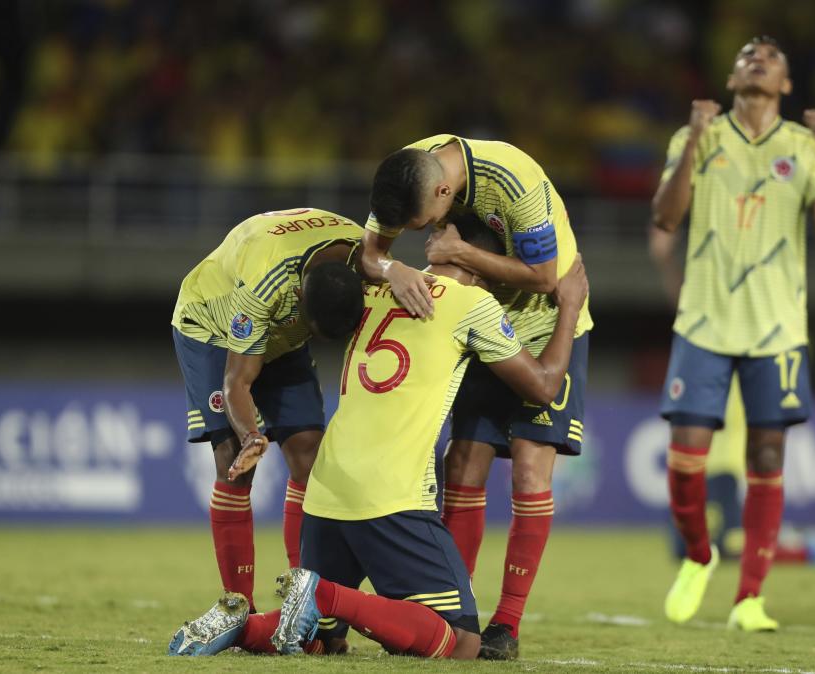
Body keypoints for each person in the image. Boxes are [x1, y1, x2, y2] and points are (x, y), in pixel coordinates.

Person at [167, 215, 590, 659]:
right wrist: (569, 309)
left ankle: (242, 625)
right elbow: (542, 386)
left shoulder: (369, 288)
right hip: (392, 497)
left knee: (320, 640)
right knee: (461, 641)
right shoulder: (471, 304)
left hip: (325, 494)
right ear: (485, 270)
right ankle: (322, 595)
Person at [363, 134, 593, 659]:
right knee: (463, 461)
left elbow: (543, 278)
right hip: (478, 325)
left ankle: (505, 626)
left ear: (445, 192)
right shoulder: (407, 171)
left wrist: (460, 251)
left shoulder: (515, 180)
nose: (417, 233)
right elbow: (372, 252)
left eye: (422, 223)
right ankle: (452, 611)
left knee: (532, 473)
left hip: (547, 325)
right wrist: (393, 268)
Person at [651, 35, 815, 631]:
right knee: (686, 454)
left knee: (767, 455)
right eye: (744, 56)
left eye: (770, 57)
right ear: (733, 78)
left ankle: (749, 599)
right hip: (705, 322)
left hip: (777, 329)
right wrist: (694, 142)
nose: (756, 59)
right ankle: (698, 555)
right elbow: (665, 215)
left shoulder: (804, 146)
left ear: (786, 84)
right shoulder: (695, 137)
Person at [171, 208, 364, 616]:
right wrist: (252, 436)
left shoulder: (365, 253)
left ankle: (302, 605)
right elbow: (236, 383)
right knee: (233, 461)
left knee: (309, 453)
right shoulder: (264, 285)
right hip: (211, 324)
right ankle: (238, 609)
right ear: (299, 299)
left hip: (282, 336)